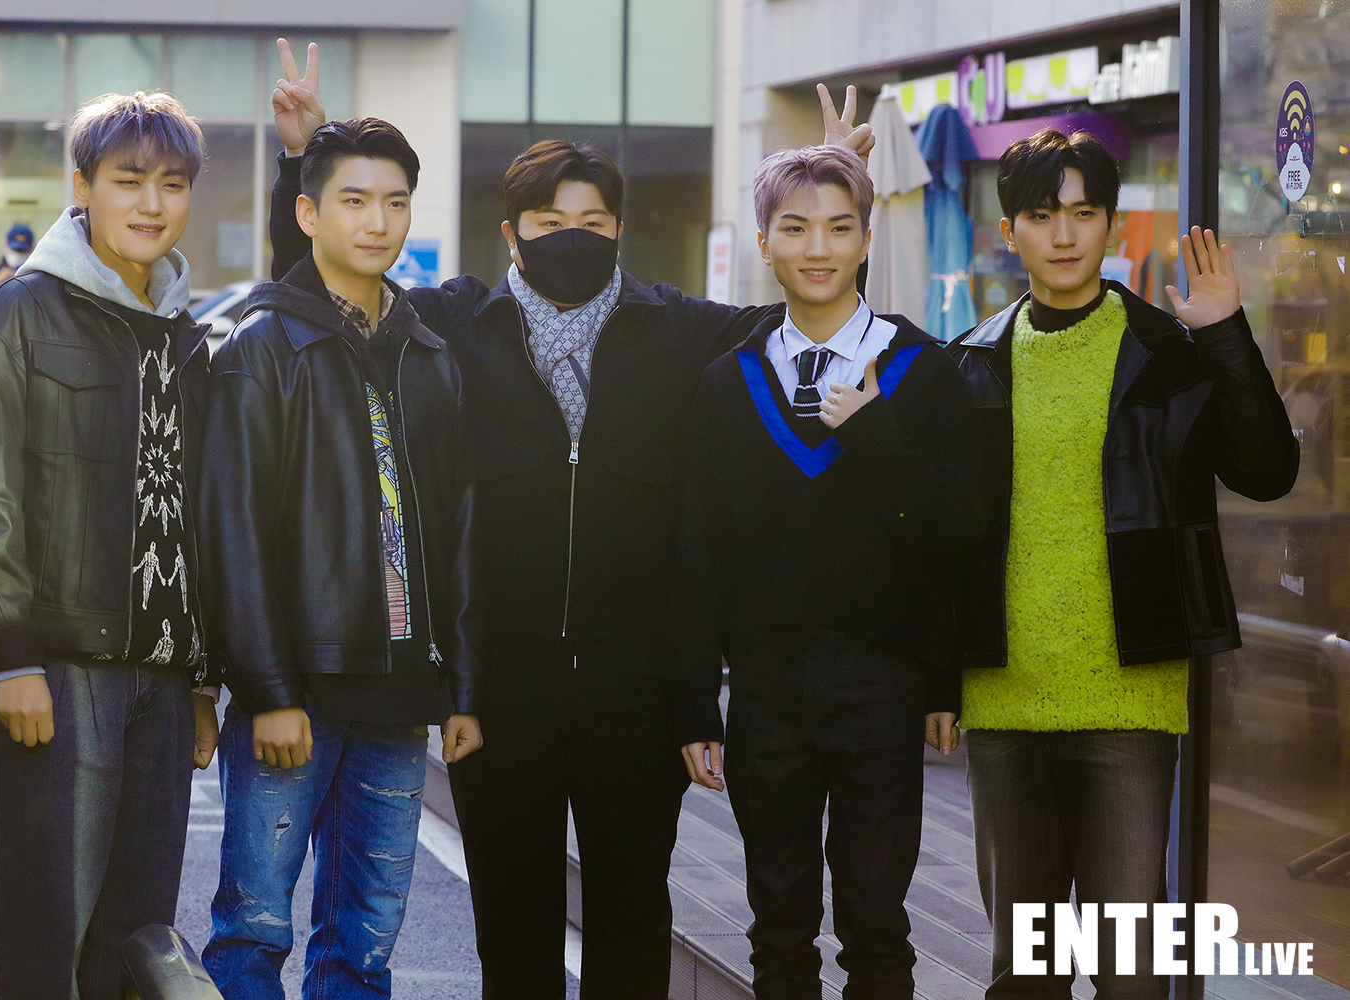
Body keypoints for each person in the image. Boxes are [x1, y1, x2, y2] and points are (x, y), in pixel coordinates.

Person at [265, 40, 874, 1000]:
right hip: (497, 687)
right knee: (513, 927)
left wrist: (833, 185)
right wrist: (302, 164)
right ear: (511, 234)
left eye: (592, 221)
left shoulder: (680, 330)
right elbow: (318, 294)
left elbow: (816, 316)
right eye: (549, 222)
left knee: (632, 918)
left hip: (639, 686)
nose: (571, 236)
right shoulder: (450, 324)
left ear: (621, 230)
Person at [944, 129, 1299, 1000]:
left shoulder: (1168, 351)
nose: (1064, 234)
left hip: (1129, 701)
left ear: (1111, 224)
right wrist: (935, 680)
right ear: (1009, 232)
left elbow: (1266, 471)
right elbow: (939, 534)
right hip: (1005, 700)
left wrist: (1226, 336)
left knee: (1130, 972)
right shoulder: (971, 361)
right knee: (1027, 973)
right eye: (1041, 215)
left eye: (1083, 213)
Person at [0, 91, 221, 1000]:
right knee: (43, 938)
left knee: (137, 946)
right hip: (57, 675)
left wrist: (201, 678)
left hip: (162, 685)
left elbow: (198, 516)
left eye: (172, 184)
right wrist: (13, 655)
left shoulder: (187, 337)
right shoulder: (16, 314)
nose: (151, 204)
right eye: (129, 180)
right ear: (83, 187)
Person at [673, 145, 978, 1000]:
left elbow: (957, 535)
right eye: (796, 228)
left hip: (882, 681)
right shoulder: (727, 383)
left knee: (877, 925)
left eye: (840, 228)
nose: (818, 248)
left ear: (866, 240)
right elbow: (697, 549)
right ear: (764, 243)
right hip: (764, 686)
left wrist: (942, 681)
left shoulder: (923, 369)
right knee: (777, 926)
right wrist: (695, 700)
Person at [197, 117, 482, 1000]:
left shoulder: (430, 355)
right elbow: (232, 530)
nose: (378, 221)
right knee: (253, 931)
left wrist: (463, 688)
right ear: (308, 214)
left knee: (364, 943)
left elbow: (459, 531)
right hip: (298, 694)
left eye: (396, 202)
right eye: (355, 201)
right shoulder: (264, 347)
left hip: (399, 700)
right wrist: (269, 691)